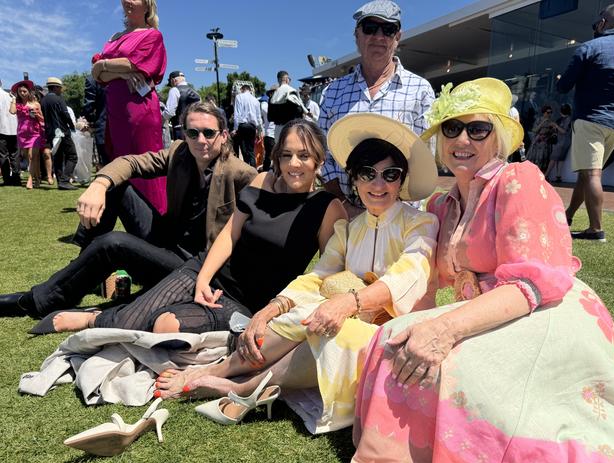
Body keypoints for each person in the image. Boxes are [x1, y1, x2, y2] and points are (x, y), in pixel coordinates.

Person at [346, 78, 614, 463]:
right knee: (394, 339)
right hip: (485, 314)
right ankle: (406, 462)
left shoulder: (519, 180)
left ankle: (483, 462)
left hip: (545, 314)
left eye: (477, 128)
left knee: (436, 355)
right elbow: (428, 283)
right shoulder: (441, 203)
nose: (462, 138)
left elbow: (535, 282)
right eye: (450, 128)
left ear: (498, 135)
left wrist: (444, 329)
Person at [155, 113, 439, 435]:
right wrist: (270, 309)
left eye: (390, 174)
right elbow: (317, 276)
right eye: (366, 173)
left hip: (397, 330)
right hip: (348, 318)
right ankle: (221, 369)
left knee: (334, 331)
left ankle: (244, 384)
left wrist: (349, 303)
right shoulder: (350, 228)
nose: (378, 184)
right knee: (306, 314)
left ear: (401, 180)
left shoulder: (420, 223)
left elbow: (408, 275)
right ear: (354, 178)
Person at [33, 119, 346, 339]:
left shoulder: (327, 208)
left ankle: (99, 315)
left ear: (319, 162)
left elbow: (325, 275)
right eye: (287, 154)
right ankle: (98, 316)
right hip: (205, 269)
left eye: (304, 156)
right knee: (132, 319)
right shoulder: (261, 182)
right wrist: (204, 278)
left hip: (246, 303)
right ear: (276, 157)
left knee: (165, 325)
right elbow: (229, 235)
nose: (294, 163)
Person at [0, 102, 257, 321]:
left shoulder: (241, 174)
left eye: (209, 133)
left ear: (223, 136)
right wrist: (99, 184)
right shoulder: (180, 152)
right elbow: (131, 162)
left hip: (191, 267)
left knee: (113, 243)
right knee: (115, 186)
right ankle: (82, 266)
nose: (200, 140)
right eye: (193, 132)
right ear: (185, 133)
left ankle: (34, 302)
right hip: (167, 240)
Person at [318, 0, 435, 218]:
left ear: (398, 37)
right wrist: (344, 206)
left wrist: (400, 213)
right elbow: (324, 156)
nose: (379, 36)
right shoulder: (332, 92)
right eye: (370, 28)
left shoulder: (421, 90)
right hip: (347, 214)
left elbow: (424, 159)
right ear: (357, 36)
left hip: (401, 216)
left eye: (388, 29)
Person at [558, 3, 614, 242]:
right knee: (586, 174)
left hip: (590, 120)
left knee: (591, 175)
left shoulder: (588, 48)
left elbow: (563, 85)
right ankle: (568, 215)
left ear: (602, 23)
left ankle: (595, 229)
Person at [91, 0, 168, 215]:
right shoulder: (114, 37)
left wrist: (105, 65)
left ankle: (156, 219)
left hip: (139, 109)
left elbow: (139, 65)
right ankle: (131, 219)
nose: (127, 1)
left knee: (145, 166)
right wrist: (120, 70)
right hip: (114, 111)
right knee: (117, 164)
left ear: (147, 5)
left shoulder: (152, 35)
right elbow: (97, 74)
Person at [40, 77, 77, 189]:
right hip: (62, 132)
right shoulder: (59, 99)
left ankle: (61, 181)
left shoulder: (43, 100)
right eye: (60, 88)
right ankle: (65, 180)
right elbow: (65, 114)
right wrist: (71, 126)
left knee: (58, 157)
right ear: (56, 87)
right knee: (72, 156)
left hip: (51, 133)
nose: (61, 90)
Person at [9, 80, 46, 189]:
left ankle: (30, 179)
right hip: (22, 133)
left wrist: (37, 115)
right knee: (28, 156)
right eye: (20, 91)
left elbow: (43, 119)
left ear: (29, 91)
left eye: (24, 91)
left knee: (32, 156)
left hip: (35, 133)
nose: (22, 93)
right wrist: (13, 99)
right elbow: (11, 111)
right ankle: (38, 177)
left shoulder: (36, 104)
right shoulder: (17, 104)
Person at [81, 72, 109, 167]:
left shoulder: (93, 80)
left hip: (104, 129)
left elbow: (88, 107)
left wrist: (92, 120)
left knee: (108, 166)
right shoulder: (123, 75)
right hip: (127, 128)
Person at [163, 71, 201, 141]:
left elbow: (169, 112)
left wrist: (161, 118)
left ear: (173, 80)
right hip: (196, 129)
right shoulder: (196, 93)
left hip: (180, 129)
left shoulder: (174, 90)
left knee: (180, 150)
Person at [269, 71, 306, 139]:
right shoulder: (290, 91)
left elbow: (270, 117)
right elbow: (298, 110)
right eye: (289, 79)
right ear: (286, 79)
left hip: (277, 130)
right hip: (289, 128)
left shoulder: (273, 95)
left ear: (278, 80)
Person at [232, 84, 263, 167]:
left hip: (242, 126)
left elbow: (237, 114)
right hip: (252, 127)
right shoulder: (256, 100)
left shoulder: (239, 97)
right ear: (250, 90)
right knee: (251, 150)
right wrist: (259, 131)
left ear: (242, 89)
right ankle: (253, 170)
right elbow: (258, 117)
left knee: (244, 150)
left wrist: (235, 128)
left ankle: (246, 169)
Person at [0, 79, 20, 186]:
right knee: (14, 154)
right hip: (14, 129)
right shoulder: (10, 95)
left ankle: (7, 179)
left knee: (3, 155)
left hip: (2, 129)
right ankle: (16, 178)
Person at [545, 103, 573, 182]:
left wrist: (556, 126)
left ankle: (546, 175)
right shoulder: (565, 119)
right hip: (565, 142)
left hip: (562, 142)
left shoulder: (567, 119)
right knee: (560, 159)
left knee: (553, 158)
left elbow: (564, 131)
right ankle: (558, 176)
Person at [524, 104, 555, 172]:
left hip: (545, 143)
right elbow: (534, 130)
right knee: (534, 159)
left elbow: (552, 132)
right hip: (537, 142)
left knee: (543, 160)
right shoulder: (539, 120)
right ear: (544, 112)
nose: (549, 114)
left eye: (550, 112)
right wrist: (543, 122)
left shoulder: (551, 121)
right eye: (548, 112)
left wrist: (552, 130)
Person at [260, 84, 277, 172]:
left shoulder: (274, 104)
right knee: (269, 156)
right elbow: (265, 110)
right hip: (270, 134)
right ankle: (266, 174)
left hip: (276, 135)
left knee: (274, 156)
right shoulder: (266, 104)